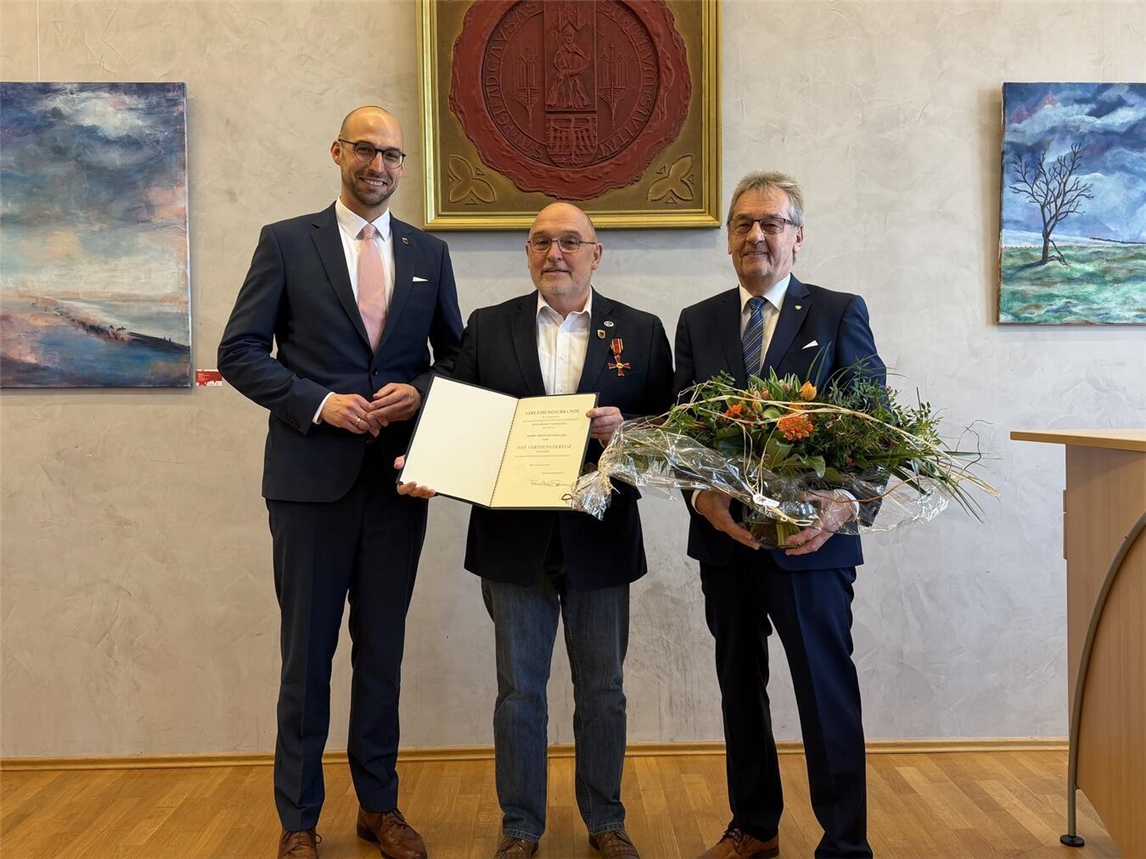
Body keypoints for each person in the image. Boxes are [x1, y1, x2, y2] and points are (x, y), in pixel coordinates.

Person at [218, 106, 463, 859]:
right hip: (308, 486)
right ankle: (298, 819)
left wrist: (420, 391)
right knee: (307, 656)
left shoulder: (429, 251)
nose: (379, 165)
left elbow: (457, 358)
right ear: (337, 152)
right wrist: (318, 402)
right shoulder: (286, 242)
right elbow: (239, 351)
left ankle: (379, 807)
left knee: (381, 654)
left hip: (397, 485)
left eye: (392, 154)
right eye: (366, 149)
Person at [397, 203, 673, 859]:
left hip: (600, 536)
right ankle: (520, 826)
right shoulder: (489, 326)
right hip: (511, 539)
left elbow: (669, 425)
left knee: (603, 691)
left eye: (571, 241)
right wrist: (426, 459)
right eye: (542, 241)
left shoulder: (640, 329)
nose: (556, 252)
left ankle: (606, 820)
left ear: (595, 255)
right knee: (519, 692)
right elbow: (457, 406)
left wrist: (627, 428)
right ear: (527, 253)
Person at [673, 171, 885, 859]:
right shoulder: (697, 321)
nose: (756, 235)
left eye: (771, 223)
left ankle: (845, 843)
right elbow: (681, 432)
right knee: (740, 687)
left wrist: (845, 504)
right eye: (743, 223)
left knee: (825, 691)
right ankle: (754, 824)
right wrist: (701, 497)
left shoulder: (838, 312)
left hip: (812, 544)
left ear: (798, 236)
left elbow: (876, 428)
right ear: (728, 238)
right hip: (726, 540)